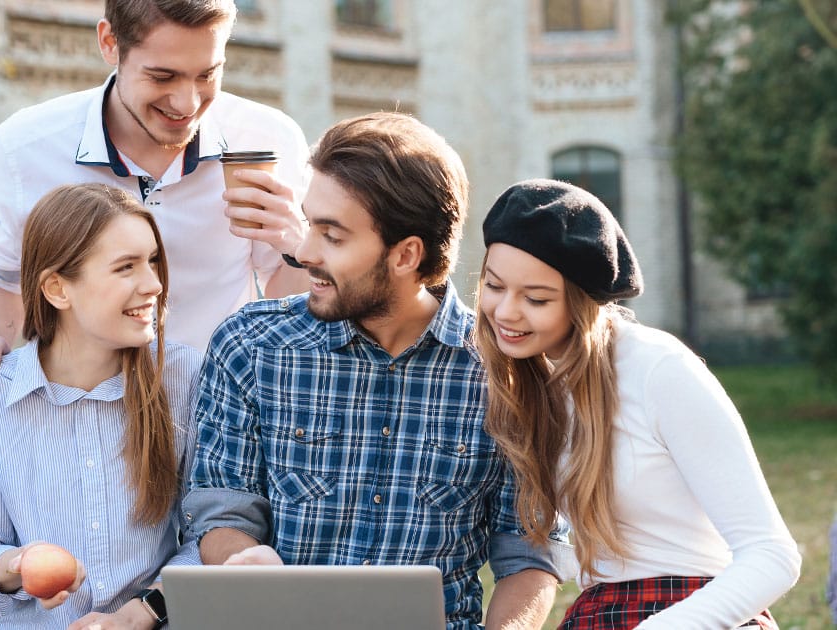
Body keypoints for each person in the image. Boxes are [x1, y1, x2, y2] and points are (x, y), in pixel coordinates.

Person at [184, 112, 573, 630]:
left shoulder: (510, 375)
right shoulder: (251, 347)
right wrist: (250, 567)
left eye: (333, 236)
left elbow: (528, 557)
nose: (303, 252)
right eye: (309, 224)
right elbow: (222, 513)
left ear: (406, 254)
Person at [0, 0, 310, 409]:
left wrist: (299, 249)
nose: (187, 104)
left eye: (207, 74)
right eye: (162, 76)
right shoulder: (24, 147)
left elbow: (283, 301)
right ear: (109, 42)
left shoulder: (268, 139)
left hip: (218, 423)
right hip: (74, 421)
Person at [474, 178, 802, 629]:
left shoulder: (658, 369)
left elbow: (773, 555)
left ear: (580, 304)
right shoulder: (531, 383)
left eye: (535, 298)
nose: (506, 312)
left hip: (694, 609)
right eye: (494, 286)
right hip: (600, 611)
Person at [0, 183, 202, 629]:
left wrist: (142, 611)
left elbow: (208, 537)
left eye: (153, 262)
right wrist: (19, 564)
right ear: (57, 289)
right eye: (126, 268)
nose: (154, 284)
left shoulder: (183, 376)